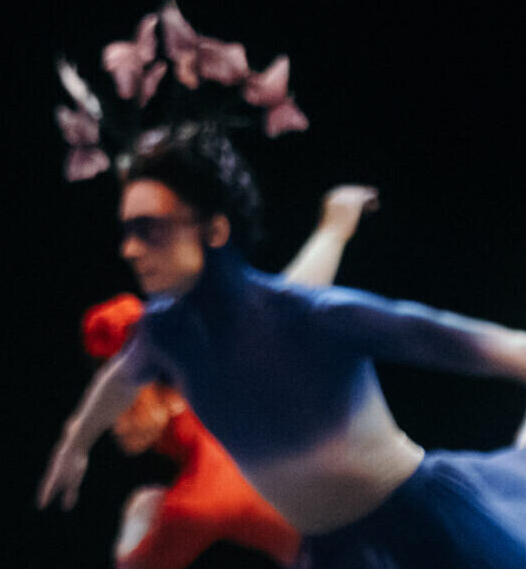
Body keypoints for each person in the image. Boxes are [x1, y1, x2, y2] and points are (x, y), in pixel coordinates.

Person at [38, 3, 526, 569]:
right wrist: (74, 443)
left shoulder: (313, 315)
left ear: (215, 229)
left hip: (425, 525)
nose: (129, 249)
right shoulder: (164, 333)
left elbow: (489, 348)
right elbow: (115, 385)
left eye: (148, 230)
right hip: (334, 553)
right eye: (127, 231)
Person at [82, 184, 379, 569]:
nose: (114, 423)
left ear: (168, 396)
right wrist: (335, 227)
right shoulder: (223, 390)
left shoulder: (202, 493)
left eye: (125, 404)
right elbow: (291, 301)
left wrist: (138, 523)